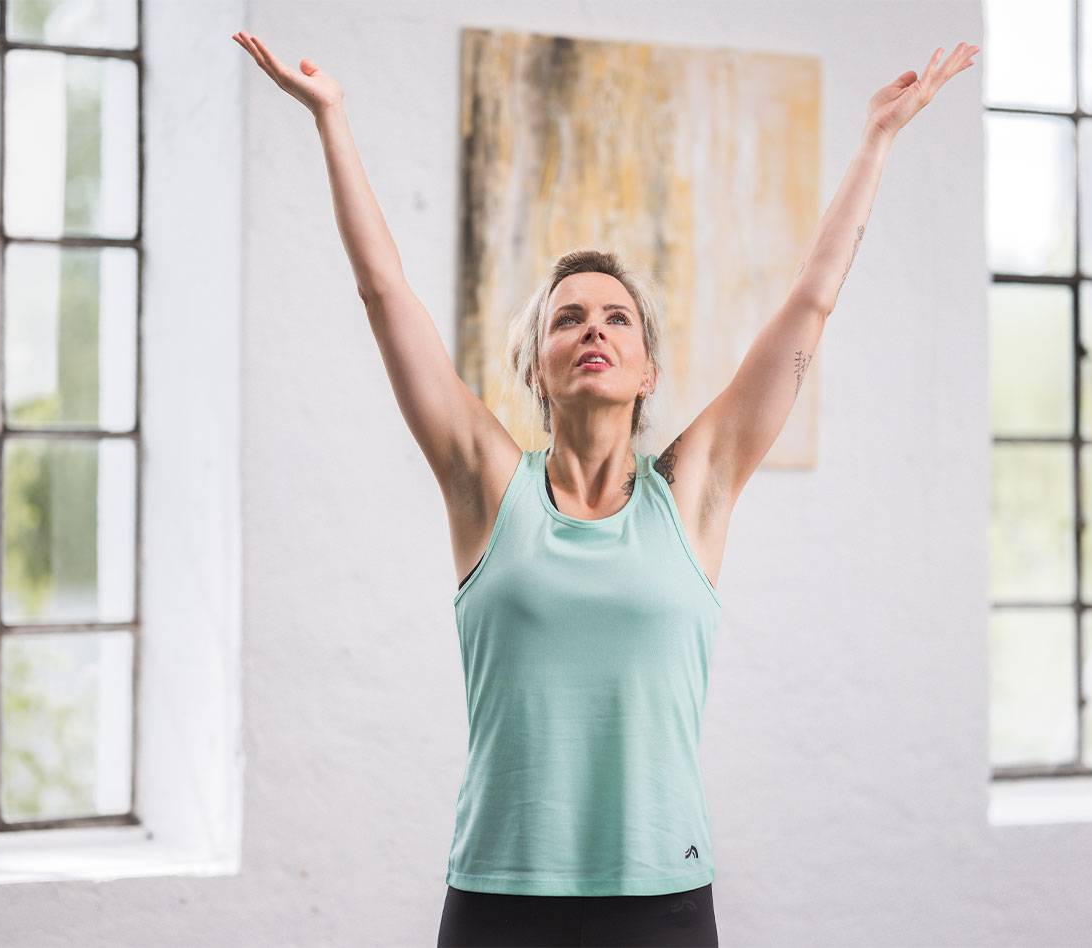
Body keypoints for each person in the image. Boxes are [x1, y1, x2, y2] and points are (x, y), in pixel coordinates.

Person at [233, 29, 979, 947]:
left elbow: (808, 303)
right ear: (537, 369)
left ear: (647, 370)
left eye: (617, 318)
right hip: (499, 900)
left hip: (661, 902)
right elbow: (386, 294)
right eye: (568, 318)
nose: (594, 328)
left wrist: (877, 140)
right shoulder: (486, 489)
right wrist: (333, 120)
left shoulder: (694, 494)